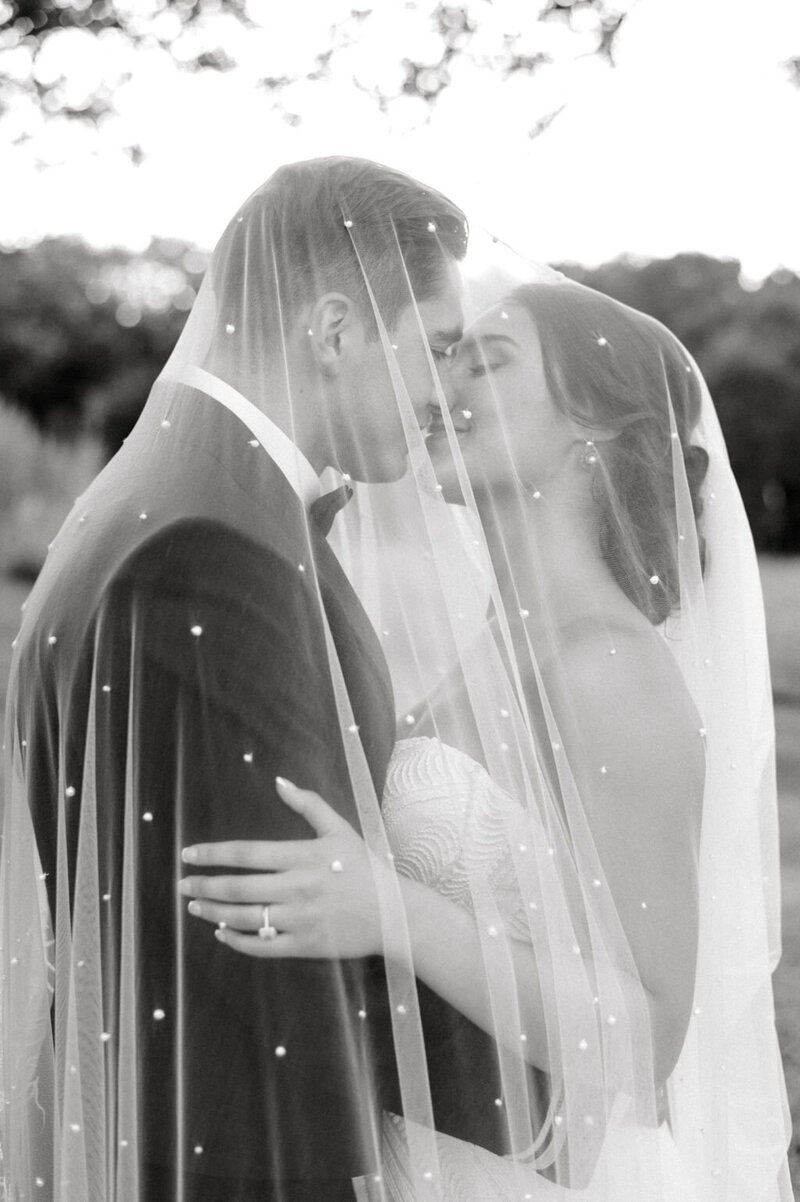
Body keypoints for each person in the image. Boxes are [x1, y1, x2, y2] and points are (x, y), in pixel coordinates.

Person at [179, 280, 793, 1199]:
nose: (443, 378)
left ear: (595, 426)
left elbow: (647, 1038)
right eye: (448, 352)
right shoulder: (496, 646)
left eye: (488, 359)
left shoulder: (610, 671)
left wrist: (391, 912)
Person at [0, 158, 518, 1201]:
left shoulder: (193, 491)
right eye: (436, 346)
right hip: (228, 1155)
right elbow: (255, 961)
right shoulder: (208, 541)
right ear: (333, 330)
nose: (442, 392)